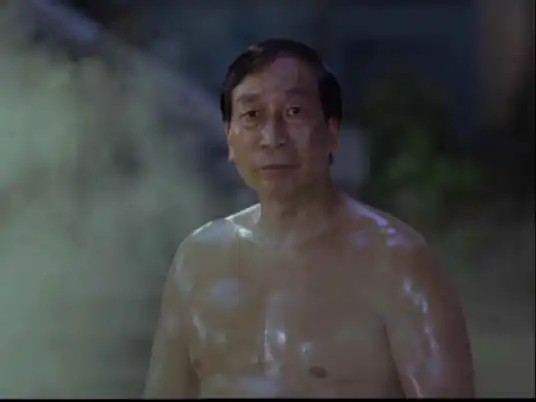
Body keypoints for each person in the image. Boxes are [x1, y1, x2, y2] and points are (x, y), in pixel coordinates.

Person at [143, 38, 475, 398]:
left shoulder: (396, 263)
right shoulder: (196, 260)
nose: (272, 138)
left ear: (332, 132)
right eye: (252, 116)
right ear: (230, 139)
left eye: (293, 112)